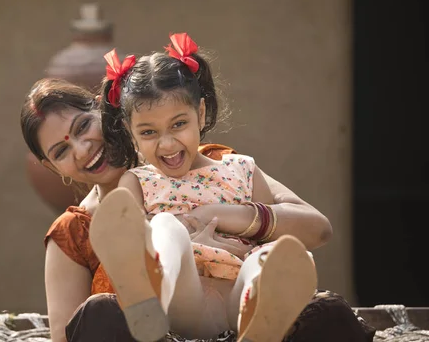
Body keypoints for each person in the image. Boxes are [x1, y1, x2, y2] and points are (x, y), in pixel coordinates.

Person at [19, 78, 374, 342]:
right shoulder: (74, 231)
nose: (82, 150)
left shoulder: (207, 165)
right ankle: (153, 279)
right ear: (52, 168)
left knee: (328, 315)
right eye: (61, 152)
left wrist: (228, 219)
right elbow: (68, 338)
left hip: (240, 316)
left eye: (83, 127)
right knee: (99, 315)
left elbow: (318, 229)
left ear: (108, 113)